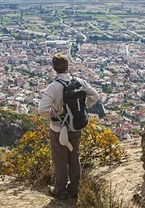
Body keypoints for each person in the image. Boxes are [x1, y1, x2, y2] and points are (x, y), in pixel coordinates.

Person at [38, 52, 100, 200]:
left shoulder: (53, 87)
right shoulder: (79, 81)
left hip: (59, 129)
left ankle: (60, 190)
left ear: (54, 68)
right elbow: (95, 96)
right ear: (67, 66)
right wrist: (83, 108)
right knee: (74, 158)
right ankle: (74, 189)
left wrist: (52, 117)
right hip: (76, 126)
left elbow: (41, 110)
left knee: (60, 160)